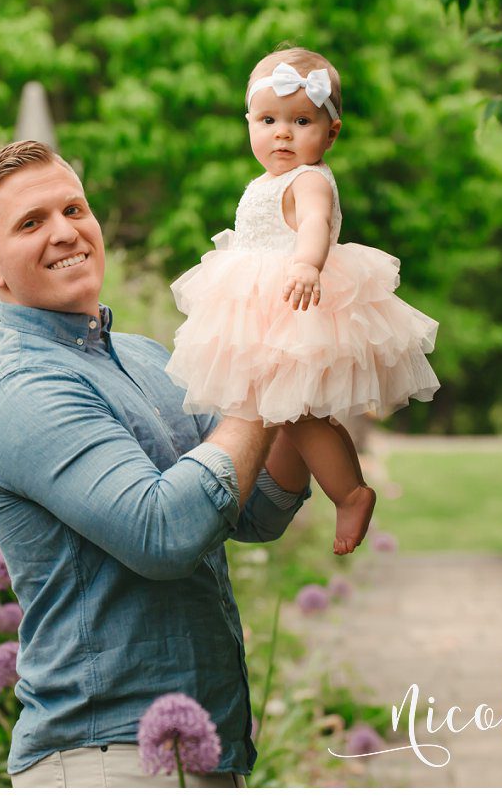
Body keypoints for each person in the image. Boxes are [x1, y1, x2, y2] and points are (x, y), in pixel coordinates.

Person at [0, 141, 311, 787]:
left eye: (73, 207)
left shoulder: (146, 359)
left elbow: (255, 503)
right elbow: (163, 532)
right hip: (106, 760)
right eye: (31, 222)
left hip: (206, 748)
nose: (65, 230)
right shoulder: (22, 388)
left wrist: (305, 374)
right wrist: (261, 381)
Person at [165, 47, 440, 554]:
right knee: (288, 413)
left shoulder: (310, 180)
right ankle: (283, 492)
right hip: (266, 308)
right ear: (249, 123)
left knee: (304, 415)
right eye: (268, 119)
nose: (282, 133)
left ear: (330, 133)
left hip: (295, 305)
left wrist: (306, 265)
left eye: (301, 121)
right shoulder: (268, 181)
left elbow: (314, 223)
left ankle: (351, 494)